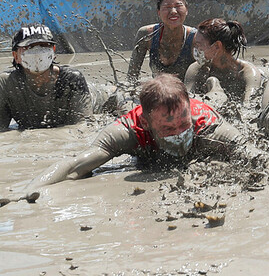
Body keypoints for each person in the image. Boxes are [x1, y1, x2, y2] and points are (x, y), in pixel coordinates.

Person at [19, 74, 245, 191]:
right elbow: (74, 166)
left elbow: (251, 151)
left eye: (183, 125)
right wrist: (28, 191)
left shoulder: (206, 124)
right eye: (167, 128)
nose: (178, 132)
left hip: (204, 105)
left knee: (219, 99)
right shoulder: (128, 130)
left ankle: (214, 85)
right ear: (146, 123)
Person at [0, 24, 91, 131]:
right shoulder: (6, 84)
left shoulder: (72, 80)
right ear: (16, 56)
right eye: (29, 47)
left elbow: (83, 128)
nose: (38, 52)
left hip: (99, 98)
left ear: (53, 51)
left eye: (44, 45)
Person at [184, 18, 263, 106]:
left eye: (199, 45)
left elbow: (250, 107)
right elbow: (186, 103)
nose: (196, 49)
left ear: (217, 46)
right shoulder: (196, 69)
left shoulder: (248, 73)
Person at [127, 0, 197, 83]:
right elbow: (131, 77)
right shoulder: (147, 35)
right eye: (167, 7)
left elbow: (203, 78)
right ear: (159, 12)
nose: (173, 11)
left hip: (187, 95)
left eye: (178, 6)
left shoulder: (196, 38)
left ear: (186, 10)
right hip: (159, 92)